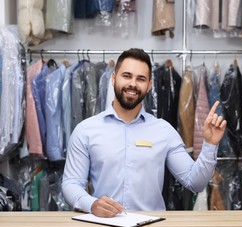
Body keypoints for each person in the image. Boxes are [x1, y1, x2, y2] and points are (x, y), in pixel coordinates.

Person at [61, 48, 227, 217]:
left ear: (149, 86)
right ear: (113, 78)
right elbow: (71, 183)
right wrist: (92, 204)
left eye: (140, 79)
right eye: (126, 76)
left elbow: (195, 183)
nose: (133, 84)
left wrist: (210, 144)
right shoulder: (86, 130)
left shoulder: (164, 131)